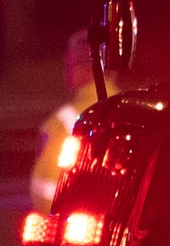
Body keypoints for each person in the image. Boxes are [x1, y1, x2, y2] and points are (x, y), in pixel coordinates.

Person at [31, 27, 120, 212]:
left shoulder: (62, 122)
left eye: (69, 64)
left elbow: (48, 187)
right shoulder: (130, 111)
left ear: (79, 67)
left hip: (74, 228)